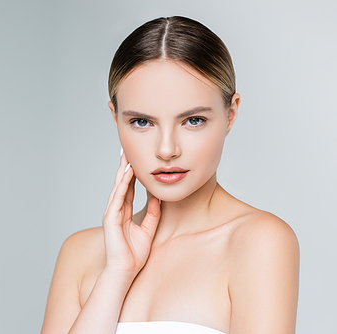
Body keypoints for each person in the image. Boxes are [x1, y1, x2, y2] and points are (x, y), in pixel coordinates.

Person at [40, 16, 299, 334]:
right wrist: (117, 273)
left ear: (230, 115)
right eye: (141, 122)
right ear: (115, 117)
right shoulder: (80, 253)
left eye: (193, 120)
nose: (166, 150)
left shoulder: (258, 242)